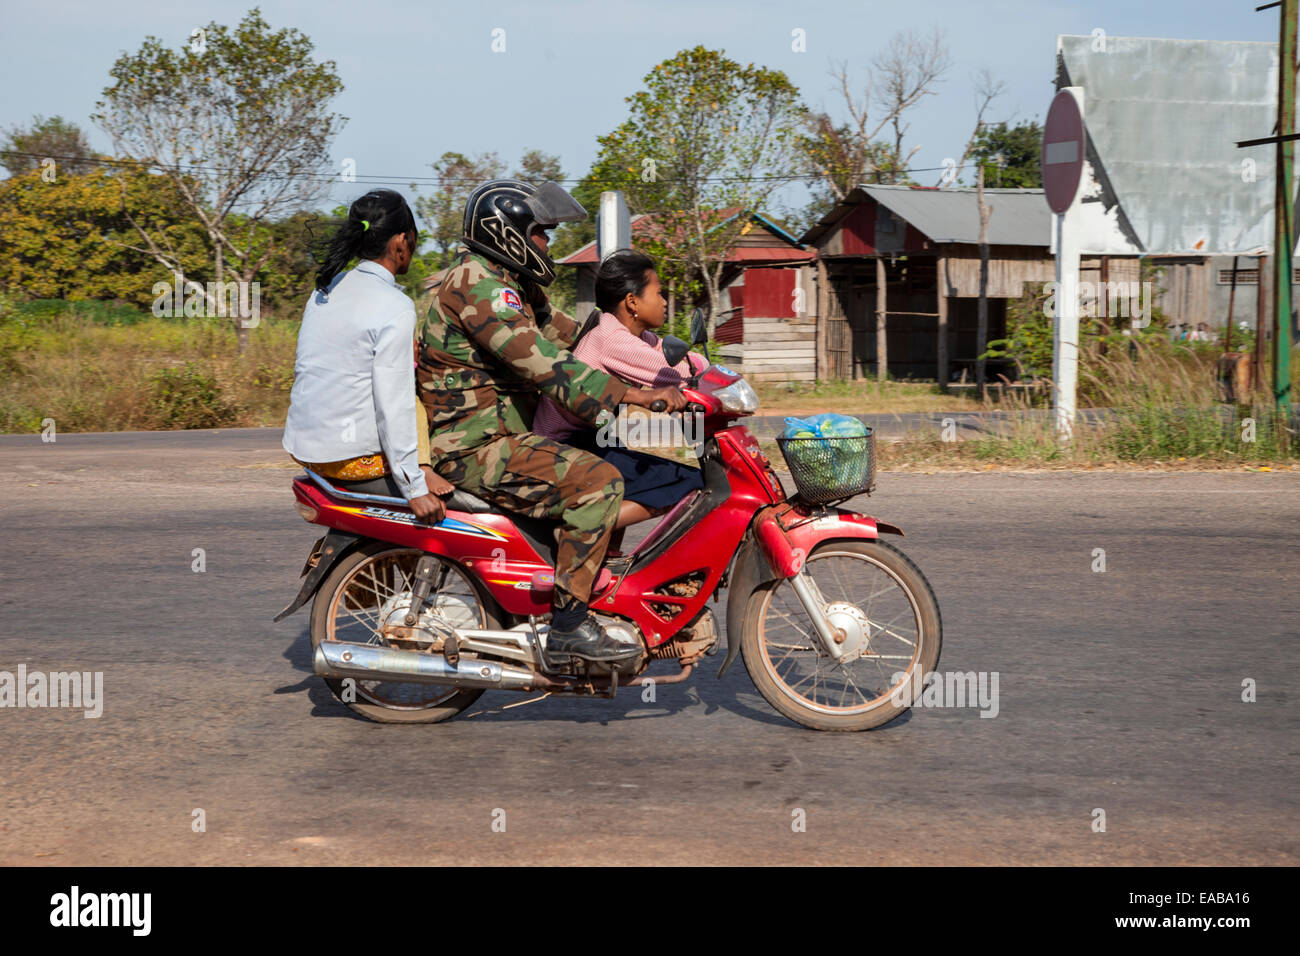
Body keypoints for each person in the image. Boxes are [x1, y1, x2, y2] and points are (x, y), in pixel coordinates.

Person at [418, 180, 686, 663]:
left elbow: (575, 331)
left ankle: (596, 583)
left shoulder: (511, 286)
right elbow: (548, 365)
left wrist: (657, 350)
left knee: (634, 467)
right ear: (507, 233)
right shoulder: (477, 286)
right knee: (599, 483)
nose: (548, 243)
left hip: (510, 438)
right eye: (541, 232)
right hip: (479, 448)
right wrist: (637, 395)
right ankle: (568, 626)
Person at [283, 189, 453, 523]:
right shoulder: (395, 307)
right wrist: (414, 487)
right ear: (400, 241)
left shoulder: (325, 289)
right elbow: (393, 403)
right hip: (348, 459)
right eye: (414, 240)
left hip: (305, 447)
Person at [533, 250, 706, 549]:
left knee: (648, 452)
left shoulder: (629, 334)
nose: (664, 301)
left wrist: (702, 365)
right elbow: (676, 373)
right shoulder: (612, 340)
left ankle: (609, 554)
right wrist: (707, 373)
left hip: (589, 432)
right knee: (685, 476)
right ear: (632, 301)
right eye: (658, 293)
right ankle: (578, 530)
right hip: (561, 445)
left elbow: (668, 353)